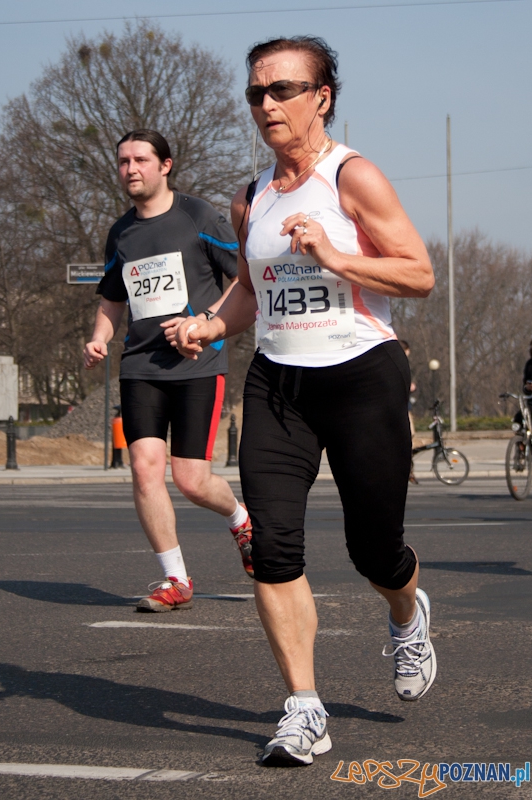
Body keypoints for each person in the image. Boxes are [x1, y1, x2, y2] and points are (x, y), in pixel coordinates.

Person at [174, 37, 436, 766]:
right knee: (272, 546)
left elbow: (418, 274)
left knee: (374, 550)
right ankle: (303, 708)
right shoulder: (250, 197)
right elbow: (250, 290)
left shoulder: (353, 177)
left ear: (321, 98)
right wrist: (208, 324)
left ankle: (406, 612)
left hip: (361, 374)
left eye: (282, 89)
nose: (266, 104)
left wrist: (334, 256)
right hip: (279, 381)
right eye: (256, 92)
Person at [83, 129, 253, 612]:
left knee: (192, 480)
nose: (130, 169)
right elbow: (112, 299)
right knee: (144, 468)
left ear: (165, 165)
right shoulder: (121, 233)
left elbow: (243, 279)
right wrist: (99, 337)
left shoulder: (198, 216)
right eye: (123, 161)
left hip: (198, 363)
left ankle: (240, 519)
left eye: (140, 160)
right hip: (140, 365)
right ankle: (175, 579)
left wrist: (205, 322)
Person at [399, 339, 419, 484]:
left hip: (404, 406)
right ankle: (405, 468)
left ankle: (407, 468)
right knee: (407, 437)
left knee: (409, 438)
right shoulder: (397, 363)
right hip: (401, 407)